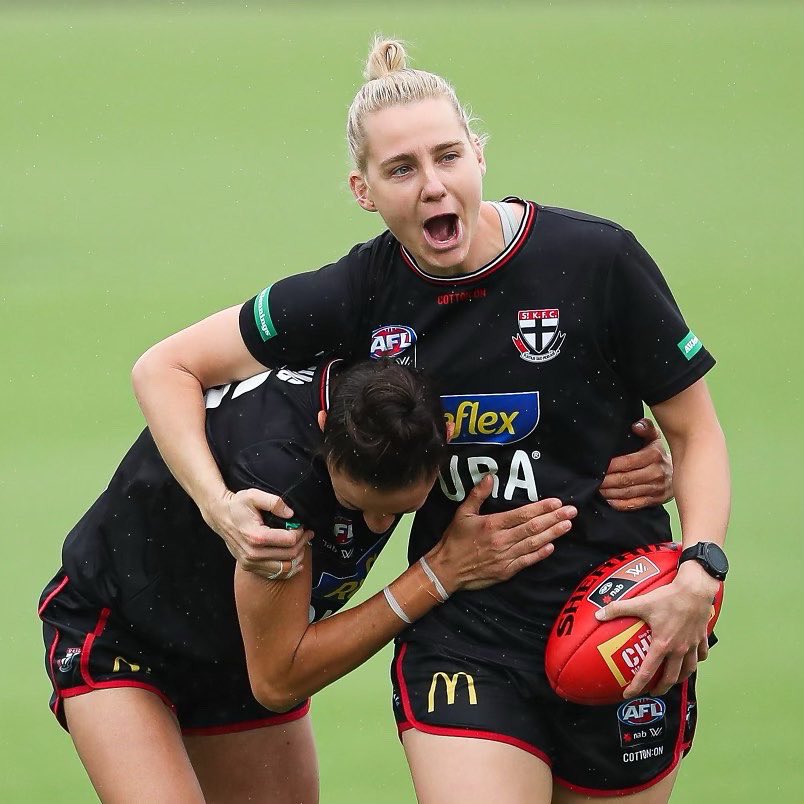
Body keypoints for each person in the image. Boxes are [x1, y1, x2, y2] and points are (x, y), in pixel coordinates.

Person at [131, 37, 729, 803]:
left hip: (625, 620)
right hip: (466, 636)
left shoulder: (597, 261)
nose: (433, 186)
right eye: (402, 170)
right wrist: (220, 507)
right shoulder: (357, 293)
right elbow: (166, 368)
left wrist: (699, 570)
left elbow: (695, 431)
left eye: (448, 156)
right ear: (363, 189)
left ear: (480, 155)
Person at [39, 358, 576, 803]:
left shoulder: (402, 420)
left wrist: (640, 455)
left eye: (399, 512)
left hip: (237, 652)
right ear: (325, 434)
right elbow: (279, 679)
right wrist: (438, 575)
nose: (377, 527)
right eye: (359, 506)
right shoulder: (279, 493)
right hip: (124, 634)